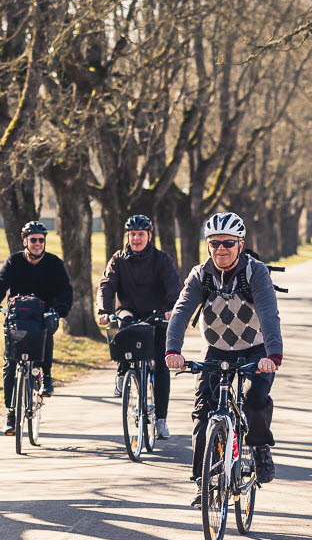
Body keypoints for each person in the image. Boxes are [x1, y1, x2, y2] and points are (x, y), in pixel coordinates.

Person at [165, 211, 282, 505]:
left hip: (256, 349)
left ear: (240, 244)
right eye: (214, 243)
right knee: (203, 412)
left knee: (254, 399)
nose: (221, 249)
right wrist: (173, 350)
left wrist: (273, 354)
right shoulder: (200, 275)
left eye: (228, 243)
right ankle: (202, 482)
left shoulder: (255, 273)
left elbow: (268, 314)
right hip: (216, 349)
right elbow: (181, 311)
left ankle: (260, 449)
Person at [96, 214, 180, 439]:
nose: (136, 239)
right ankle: (123, 370)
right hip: (129, 311)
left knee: (161, 366)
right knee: (123, 325)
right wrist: (104, 311)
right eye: (132, 234)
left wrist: (171, 309)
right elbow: (106, 285)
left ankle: (161, 419)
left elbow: (173, 285)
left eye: (140, 234)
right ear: (127, 236)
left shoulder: (162, 259)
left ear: (149, 236)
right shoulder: (118, 259)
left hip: (157, 315)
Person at [0, 220, 73, 434]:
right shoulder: (14, 261)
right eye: (33, 240)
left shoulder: (54, 263)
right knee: (10, 363)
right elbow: (2, 282)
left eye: (41, 240)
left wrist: (60, 309)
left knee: (46, 333)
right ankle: (11, 413)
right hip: (18, 316)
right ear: (25, 241)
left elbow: (65, 290)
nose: (37, 244)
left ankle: (47, 377)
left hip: (44, 314)